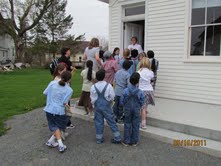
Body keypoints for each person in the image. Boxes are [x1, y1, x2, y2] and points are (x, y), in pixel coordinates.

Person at [43, 71, 73, 152]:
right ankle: (60, 145)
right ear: (69, 80)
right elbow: (64, 102)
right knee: (59, 127)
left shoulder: (52, 83)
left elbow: (45, 92)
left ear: (61, 76)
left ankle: (50, 141)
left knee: (56, 127)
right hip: (59, 111)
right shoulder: (69, 90)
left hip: (49, 109)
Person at [90, 69, 121, 144]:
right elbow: (112, 96)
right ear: (104, 76)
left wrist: (94, 104)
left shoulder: (93, 87)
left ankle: (99, 138)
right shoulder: (109, 86)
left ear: (96, 77)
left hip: (97, 107)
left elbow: (92, 97)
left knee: (98, 122)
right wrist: (109, 101)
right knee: (111, 121)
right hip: (106, 106)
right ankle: (117, 137)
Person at [120, 72, 144, 146]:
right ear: (138, 81)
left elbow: (121, 101)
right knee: (136, 125)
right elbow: (142, 102)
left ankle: (126, 141)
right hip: (136, 110)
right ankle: (134, 141)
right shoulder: (140, 92)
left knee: (127, 124)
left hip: (127, 109)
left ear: (130, 80)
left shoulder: (125, 90)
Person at [57, 48, 75, 129]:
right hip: (66, 81)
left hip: (63, 80)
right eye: (69, 50)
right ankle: (67, 123)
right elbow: (69, 70)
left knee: (63, 100)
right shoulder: (64, 60)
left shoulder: (63, 59)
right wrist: (72, 71)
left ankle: (65, 122)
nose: (70, 51)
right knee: (66, 101)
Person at [137, 57, 155, 129]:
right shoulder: (151, 72)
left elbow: (137, 83)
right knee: (145, 107)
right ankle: (143, 121)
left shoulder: (138, 72)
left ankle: (142, 123)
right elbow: (151, 81)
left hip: (141, 90)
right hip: (149, 90)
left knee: (141, 108)